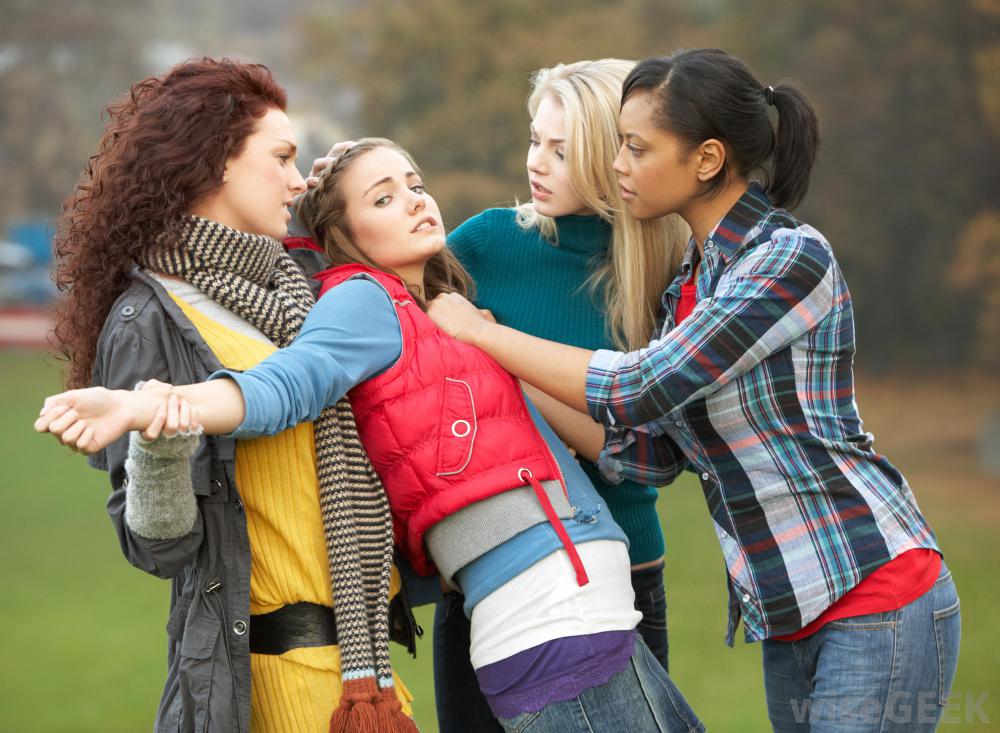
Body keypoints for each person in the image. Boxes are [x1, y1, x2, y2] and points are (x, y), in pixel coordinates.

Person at [38, 138, 704, 733]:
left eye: (415, 184)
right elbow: (284, 386)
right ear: (345, 232)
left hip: (578, 591)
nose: (415, 201)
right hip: (545, 605)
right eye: (383, 198)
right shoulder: (362, 300)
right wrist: (147, 405)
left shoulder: (442, 309)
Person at [423, 49, 961, 732]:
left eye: (636, 147)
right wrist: (498, 364)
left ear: (706, 160)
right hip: (790, 615)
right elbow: (650, 452)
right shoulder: (692, 283)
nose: (618, 163)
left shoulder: (785, 259)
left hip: (876, 591)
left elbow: (640, 387)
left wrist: (484, 334)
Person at [45, 59, 415, 732]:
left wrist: (358, 178)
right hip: (268, 681)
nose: (298, 179)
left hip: (369, 674)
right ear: (218, 161)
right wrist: (161, 447)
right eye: (281, 157)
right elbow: (157, 548)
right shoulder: (149, 317)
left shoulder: (305, 281)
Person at [431, 58, 689, 732]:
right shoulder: (485, 243)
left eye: (561, 151)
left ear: (611, 159)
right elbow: (392, 324)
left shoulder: (667, 270)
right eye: (534, 140)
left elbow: (642, 454)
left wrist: (500, 360)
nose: (535, 163)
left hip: (622, 568)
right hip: (493, 562)